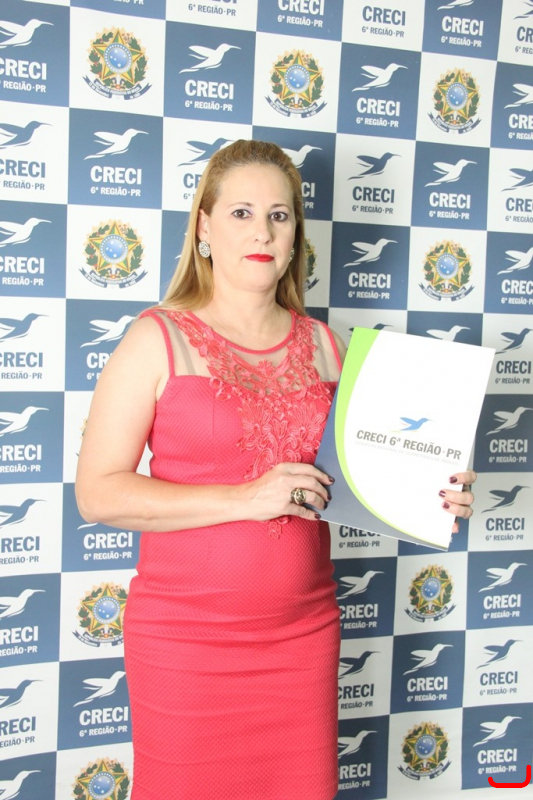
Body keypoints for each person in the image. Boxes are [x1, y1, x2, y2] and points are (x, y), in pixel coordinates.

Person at [75, 139, 476, 800]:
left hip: (302, 639)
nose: (261, 231)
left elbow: (371, 474)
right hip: (185, 645)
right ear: (204, 227)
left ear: (295, 237)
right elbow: (98, 494)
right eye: (241, 213)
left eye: (279, 215)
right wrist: (245, 498)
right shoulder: (155, 339)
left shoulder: (328, 347)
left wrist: (438, 490)